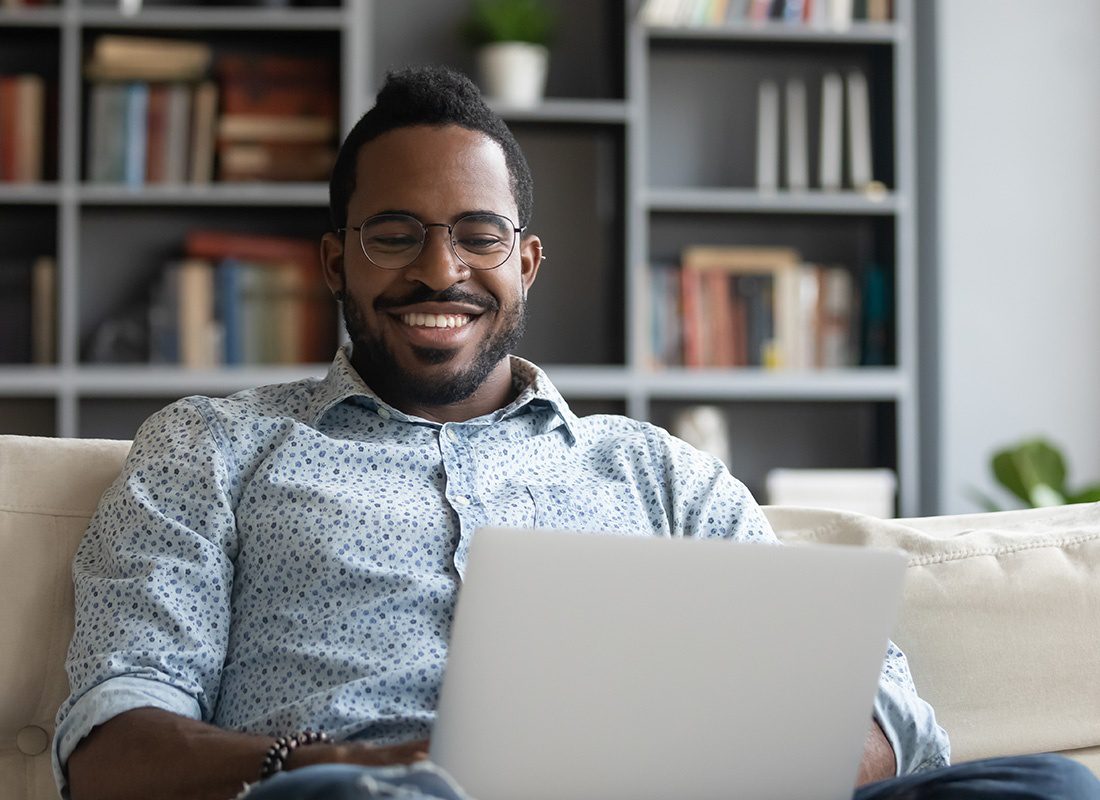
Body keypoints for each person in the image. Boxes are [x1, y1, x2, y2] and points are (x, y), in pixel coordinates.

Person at [55, 65, 1098, 800]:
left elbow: (883, 704)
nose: (439, 270)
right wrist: (348, 763)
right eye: (392, 234)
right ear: (334, 260)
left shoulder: (652, 472)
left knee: (1048, 783)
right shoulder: (214, 450)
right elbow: (110, 747)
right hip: (359, 793)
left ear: (527, 263)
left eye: (478, 235)